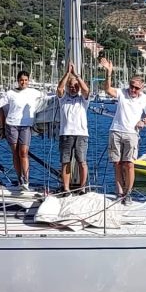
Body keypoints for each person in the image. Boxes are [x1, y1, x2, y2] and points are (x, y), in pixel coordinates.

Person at [102, 57, 146, 204]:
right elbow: (107, 89)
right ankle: (120, 192)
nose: (133, 90)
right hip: (116, 131)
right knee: (117, 163)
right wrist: (109, 73)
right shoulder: (122, 93)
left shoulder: (145, 99)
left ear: (141, 88)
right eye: (132, 86)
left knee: (129, 164)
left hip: (132, 134)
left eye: (136, 88)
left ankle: (128, 193)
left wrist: (143, 121)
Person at [3, 70, 43, 190]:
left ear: (28, 81)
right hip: (12, 124)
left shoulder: (34, 92)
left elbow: (47, 99)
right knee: (15, 152)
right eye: (21, 80)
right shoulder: (10, 93)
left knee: (24, 152)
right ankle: (19, 178)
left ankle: (26, 179)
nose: (23, 82)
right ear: (18, 80)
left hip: (26, 125)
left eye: (26, 80)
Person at [56, 62, 91, 194]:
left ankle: (82, 187)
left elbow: (86, 90)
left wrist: (76, 75)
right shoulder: (63, 99)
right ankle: (66, 188)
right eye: (70, 86)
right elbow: (59, 88)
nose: (73, 88)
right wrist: (67, 74)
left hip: (81, 134)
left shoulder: (83, 100)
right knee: (66, 161)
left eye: (76, 86)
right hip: (66, 133)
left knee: (82, 161)